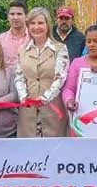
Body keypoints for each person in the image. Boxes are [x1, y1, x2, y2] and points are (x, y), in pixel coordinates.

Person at [15, 7, 70, 137]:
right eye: (32, 23)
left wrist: (46, 98)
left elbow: (60, 77)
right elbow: (19, 77)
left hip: (52, 108)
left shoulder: (60, 49)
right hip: (28, 110)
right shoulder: (22, 50)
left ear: (47, 25)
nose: (36, 27)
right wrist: (23, 96)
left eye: (40, 23)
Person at [63, 25, 97, 125]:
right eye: (88, 41)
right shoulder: (77, 63)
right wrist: (69, 100)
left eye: (96, 41)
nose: (92, 45)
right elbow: (69, 89)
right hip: (83, 118)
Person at [0, 0, 31, 68]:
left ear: (26, 16)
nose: (15, 17)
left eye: (19, 14)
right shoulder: (0, 40)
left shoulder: (33, 38)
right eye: (12, 14)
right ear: (8, 17)